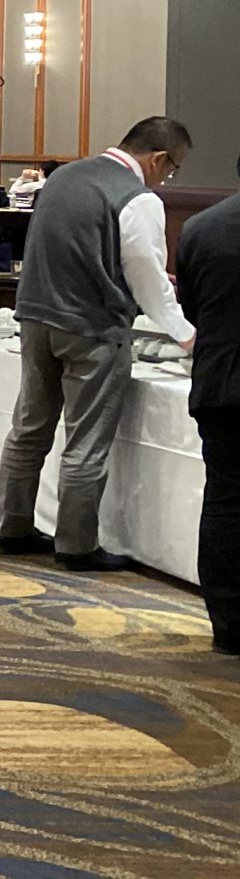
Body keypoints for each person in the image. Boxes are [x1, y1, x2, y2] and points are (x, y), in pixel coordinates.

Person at [0, 116, 195, 570]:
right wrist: (185, 334)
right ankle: (77, 545)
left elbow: (75, 247)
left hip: (36, 316)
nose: (166, 178)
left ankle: (12, 526)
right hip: (90, 329)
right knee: (85, 440)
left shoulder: (64, 176)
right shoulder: (137, 198)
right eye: (172, 169)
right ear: (158, 158)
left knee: (29, 429)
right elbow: (147, 279)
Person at [177, 162, 240, 653]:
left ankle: (230, 624)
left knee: (225, 502)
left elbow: (191, 309)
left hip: (221, 384)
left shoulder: (201, 227)